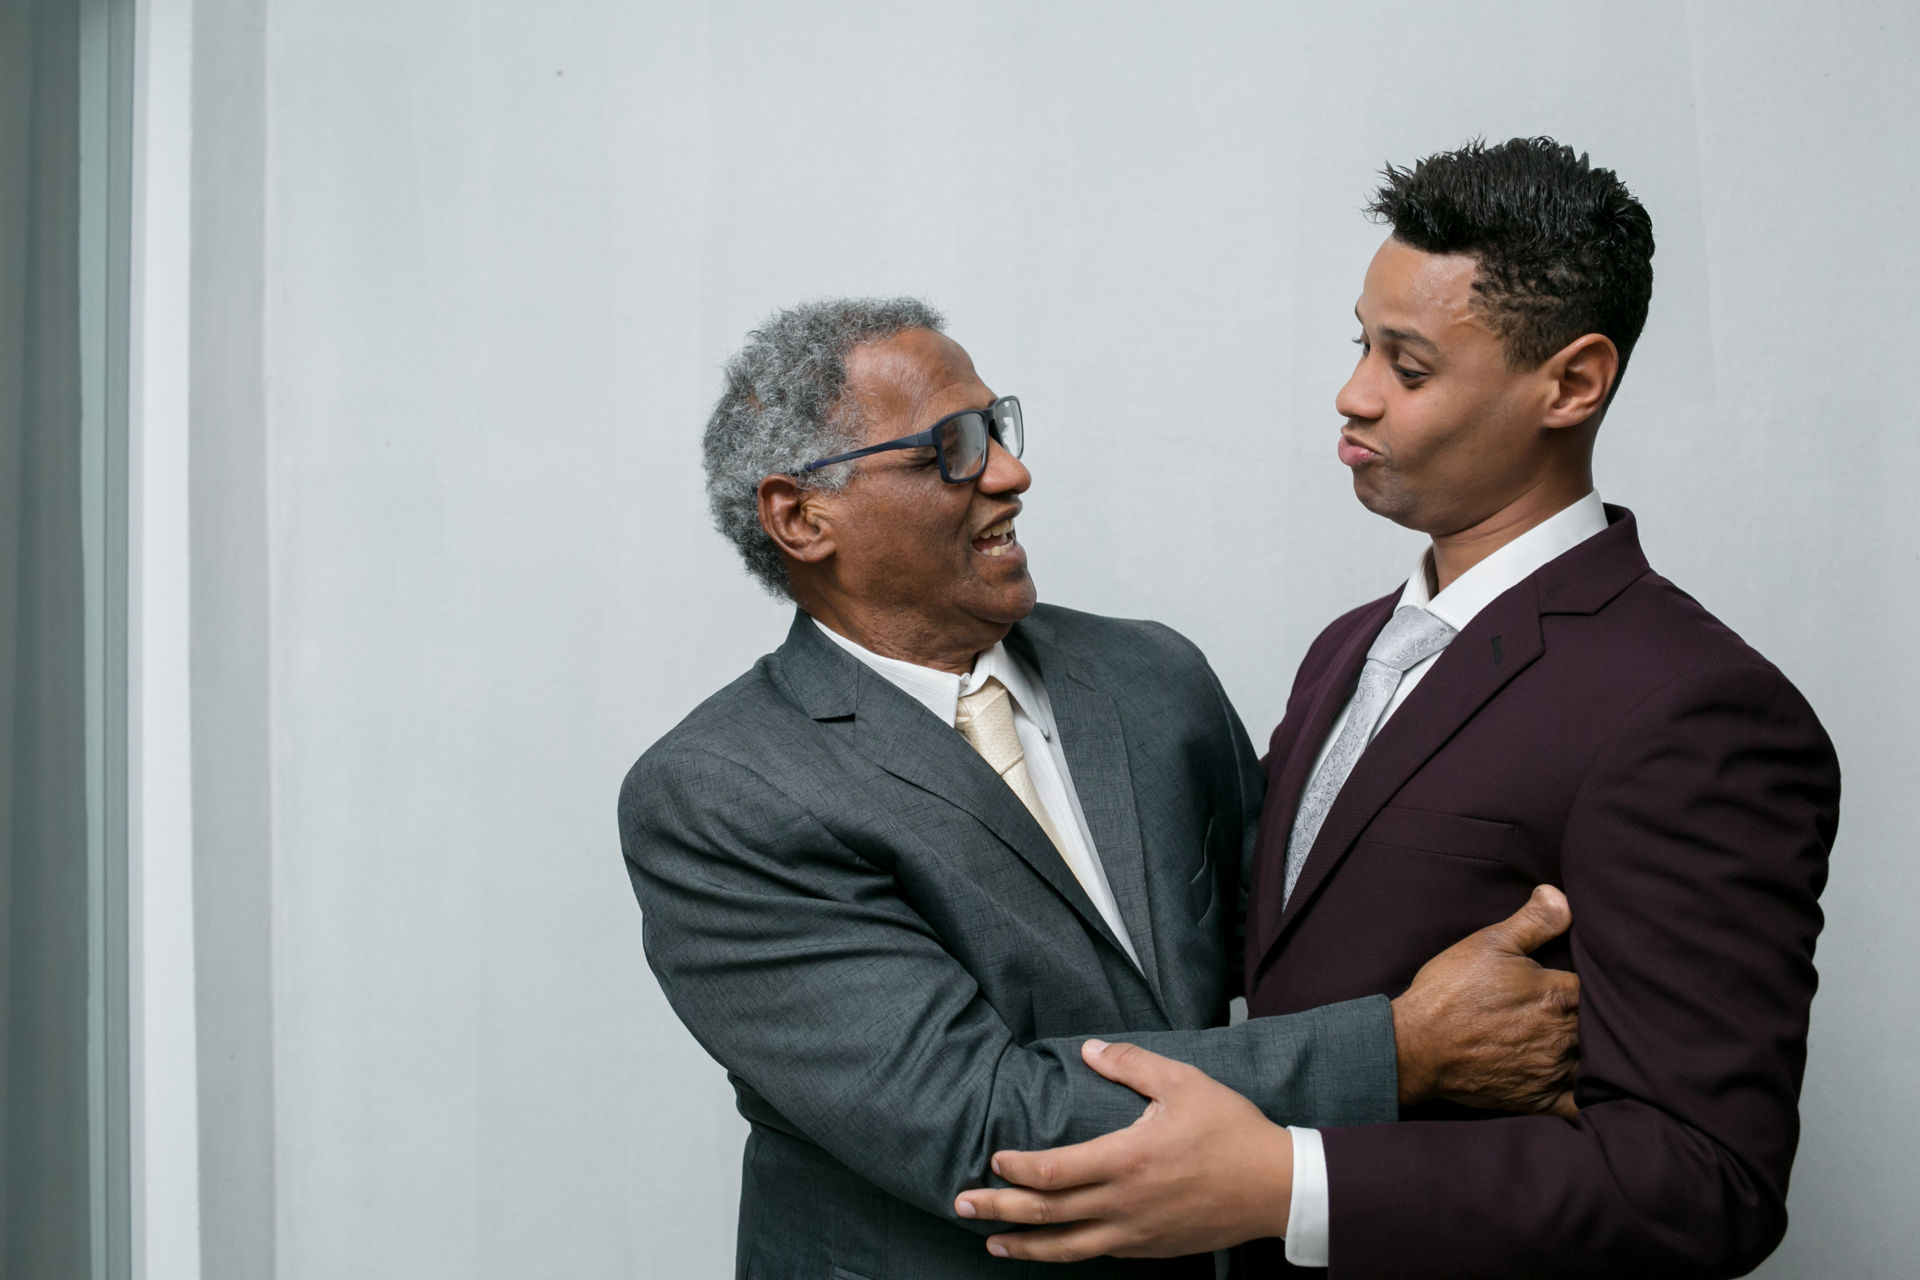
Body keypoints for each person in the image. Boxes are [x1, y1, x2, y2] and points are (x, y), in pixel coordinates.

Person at [958, 138, 1841, 1278]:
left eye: (1409, 366)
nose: (1354, 392)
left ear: (1571, 383)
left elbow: (1703, 1178)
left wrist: (1291, 1185)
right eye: (1360, 343)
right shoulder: (1348, 649)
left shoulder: (1695, 707)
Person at [619, 297, 1582, 1279]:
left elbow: (1294, 941)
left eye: (997, 427)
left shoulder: (1150, 676)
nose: (1009, 469)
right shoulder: (721, 792)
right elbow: (983, 1121)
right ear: (801, 514)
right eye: (948, 447)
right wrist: (1403, 1049)